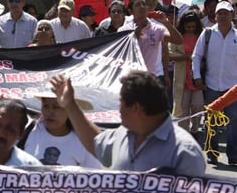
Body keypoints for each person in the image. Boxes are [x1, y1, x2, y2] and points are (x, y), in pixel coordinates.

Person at [49, 71, 206, 176]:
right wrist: (69, 105)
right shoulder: (123, 134)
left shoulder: (185, 153)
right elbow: (95, 143)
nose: (118, 109)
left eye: (120, 102)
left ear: (136, 108)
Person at [192, 0, 237, 166]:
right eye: (220, 13)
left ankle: (233, 155)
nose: (223, 16)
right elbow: (196, 56)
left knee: (234, 121)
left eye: (226, 13)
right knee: (211, 122)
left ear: (232, 15)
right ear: (215, 16)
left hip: (232, 88)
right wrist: (197, 77)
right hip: (211, 85)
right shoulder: (207, 34)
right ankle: (212, 153)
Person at [22, 90, 102, 167]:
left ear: (70, 110)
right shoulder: (30, 130)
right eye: (46, 106)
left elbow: (93, 176)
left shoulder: (84, 142)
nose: (49, 112)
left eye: (56, 107)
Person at [119, 0, 182, 85]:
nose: (142, 7)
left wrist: (167, 23)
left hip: (151, 79)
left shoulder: (157, 28)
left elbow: (178, 40)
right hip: (132, 79)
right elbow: (120, 54)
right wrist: (133, 36)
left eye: (144, 4)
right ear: (130, 11)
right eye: (138, 5)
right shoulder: (124, 30)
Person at [169, 11, 204, 139]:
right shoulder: (177, 37)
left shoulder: (202, 35)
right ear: (183, 25)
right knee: (182, 107)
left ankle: (195, 128)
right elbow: (169, 53)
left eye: (193, 27)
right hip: (182, 76)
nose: (191, 29)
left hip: (197, 76)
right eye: (188, 27)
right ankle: (184, 135)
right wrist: (184, 57)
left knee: (198, 104)